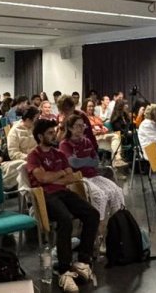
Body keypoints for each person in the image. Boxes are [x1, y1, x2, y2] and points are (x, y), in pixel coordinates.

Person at [26, 119, 98, 292]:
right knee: (65, 219)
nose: (54, 135)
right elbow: (42, 179)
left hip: (63, 192)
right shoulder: (34, 155)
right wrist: (59, 175)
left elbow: (72, 177)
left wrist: (54, 176)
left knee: (92, 214)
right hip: (45, 196)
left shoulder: (58, 154)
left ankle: (82, 260)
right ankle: (64, 270)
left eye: (54, 132)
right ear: (40, 136)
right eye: (50, 133)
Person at [60, 113, 125, 220]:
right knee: (100, 196)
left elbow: (95, 162)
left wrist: (82, 161)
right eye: (78, 126)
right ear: (70, 128)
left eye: (83, 125)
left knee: (117, 191)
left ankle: (117, 223)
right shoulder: (65, 144)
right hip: (78, 178)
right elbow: (73, 163)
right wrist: (87, 160)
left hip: (93, 175)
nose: (82, 128)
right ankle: (98, 225)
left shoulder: (87, 141)